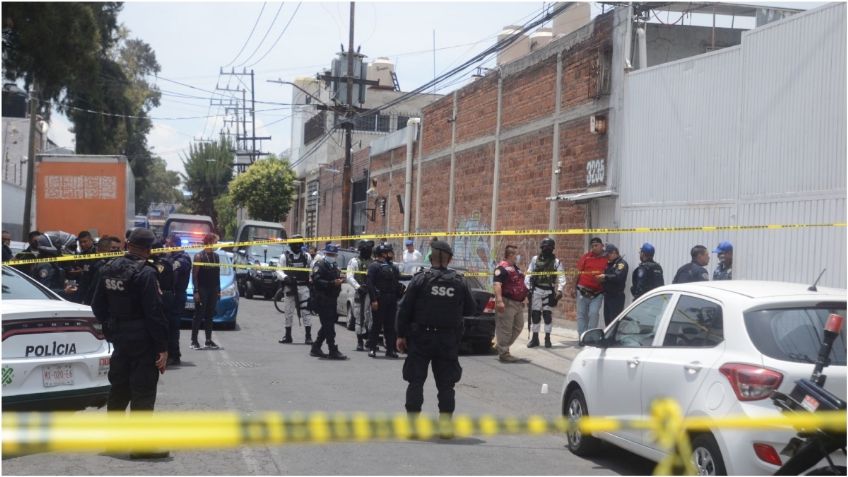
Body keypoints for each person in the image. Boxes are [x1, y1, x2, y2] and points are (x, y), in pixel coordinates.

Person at [90, 228, 169, 459]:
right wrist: (163, 348)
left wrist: (111, 328)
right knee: (142, 392)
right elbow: (154, 314)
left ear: (127, 244)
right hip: (143, 342)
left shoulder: (108, 268)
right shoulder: (146, 274)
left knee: (119, 391)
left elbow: (97, 305)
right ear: (149, 249)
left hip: (120, 339)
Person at [396, 240, 476, 420]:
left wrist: (400, 335)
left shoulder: (420, 279)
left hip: (421, 338)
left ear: (430, 258)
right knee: (446, 385)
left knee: (415, 381)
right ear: (450, 259)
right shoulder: (459, 282)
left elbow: (404, 309)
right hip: (447, 340)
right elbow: (470, 310)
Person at [524, 238, 566, 348]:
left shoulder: (556, 262)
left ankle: (547, 338)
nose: (546, 249)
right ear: (541, 248)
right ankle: (535, 338)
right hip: (536, 290)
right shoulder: (535, 259)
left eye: (549, 247)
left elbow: (561, 276)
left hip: (549, 292)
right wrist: (528, 288)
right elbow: (528, 274)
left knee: (547, 316)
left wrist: (560, 290)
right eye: (545, 247)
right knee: (536, 315)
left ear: (552, 249)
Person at [309, 243, 347, 360]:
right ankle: (332, 349)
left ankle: (316, 347)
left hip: (332, 299)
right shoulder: (319, 265)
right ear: (325, 253)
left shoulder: (334, 266)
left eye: (333, 254)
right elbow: (317, 280)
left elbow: (335, 278)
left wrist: (340, 280)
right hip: (322, 299)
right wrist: (331, 283)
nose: (331, 256)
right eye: (329, 254)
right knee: (329, 326)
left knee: (327, 324)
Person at [493, 245, 528, 362]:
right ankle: (504, 353)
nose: (518, 257)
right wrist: (499, 301)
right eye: (516, 254)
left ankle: (502, 346)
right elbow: (497, 284)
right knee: (505, 329)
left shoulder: (515, 268)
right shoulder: (501, 268)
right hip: (507, 302)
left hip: (517, 303)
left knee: (519, 326)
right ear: (511, 255)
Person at [366, 243, 403, 358]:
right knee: (377, 324)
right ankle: (372, 348)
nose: (392, 254)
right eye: (390, 252)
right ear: (383, 253)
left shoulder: (392, 267)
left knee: (390, 325)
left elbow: (399, 278)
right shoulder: (374, 266)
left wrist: (414, 276)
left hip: (391, 299)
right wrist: (373, 300)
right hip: (380, 298)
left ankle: (390, 350)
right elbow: (370, 284)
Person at [277, 235, 314, 344]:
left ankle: (308, 336)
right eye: (295, 244)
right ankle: (288, 336)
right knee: (288, 312)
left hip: (303, 287)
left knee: (306, 311)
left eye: (299, 244)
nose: (297, 246)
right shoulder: (284, 257)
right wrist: (285, 277)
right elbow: (279, 270)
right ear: (291, 244)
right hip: (290, 287)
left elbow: (311, 270)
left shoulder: (306, 256)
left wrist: (312, 279)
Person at [572, 237, 607, 336]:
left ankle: (590, 337)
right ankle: (582, 337)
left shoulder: (607, 258)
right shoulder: (586, 257)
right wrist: (573, 287)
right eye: (592, 246)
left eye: (596, 245)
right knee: (581, 315)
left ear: (602, 246)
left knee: (594, 314)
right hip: (582, 290)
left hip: (597, 293)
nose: (594, 248)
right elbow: (577, 272)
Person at [191, 233, 221, 350]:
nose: (216, 244)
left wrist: (218, 290)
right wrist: (196, 291)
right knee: (199, 315)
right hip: (202, 288)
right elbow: (194, 275)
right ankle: (194, 340)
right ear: (209, 242)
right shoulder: (199, 256)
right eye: (215, 242)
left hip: (213, 289)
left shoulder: (216, 256)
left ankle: (208, 340)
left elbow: (217, 273)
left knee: (210, 315)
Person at [166, 233, 192, 366]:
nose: (166, 247)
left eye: (168, 244)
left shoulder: (183, 258)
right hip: (169, 295)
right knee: (166, 325)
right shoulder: (169, 256)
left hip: (177, 295)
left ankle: (174, 355)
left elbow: (173, 272)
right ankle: (168, 353)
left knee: (173, 326)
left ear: (175, 245)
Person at [346, 240, 375, 351]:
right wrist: (358, 287)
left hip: (371, 293)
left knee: (371, 317)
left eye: (369, 250)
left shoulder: (373, 262)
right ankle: (359, 341)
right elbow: (349, 276)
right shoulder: (354, 261)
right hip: (359, 292)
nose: (368, 252)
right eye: (366, 250)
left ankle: (369, 339)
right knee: (359, 316)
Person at [598, 244, 628, 326]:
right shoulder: (609, 264)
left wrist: (605, 276)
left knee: (614, 323)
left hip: (616, 297)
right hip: (608, 296)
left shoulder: (621, 264)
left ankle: (613, 338)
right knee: (607, 322)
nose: (607, 257)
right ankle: (609, 338)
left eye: (608, 254)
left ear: (614, 253)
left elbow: (618, 276)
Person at [82, 236, 116, 305]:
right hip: (106, 301)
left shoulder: (89, 260)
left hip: (90, 299)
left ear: (97, 248)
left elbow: (84, 282)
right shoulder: (113, 264)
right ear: (110, 249)